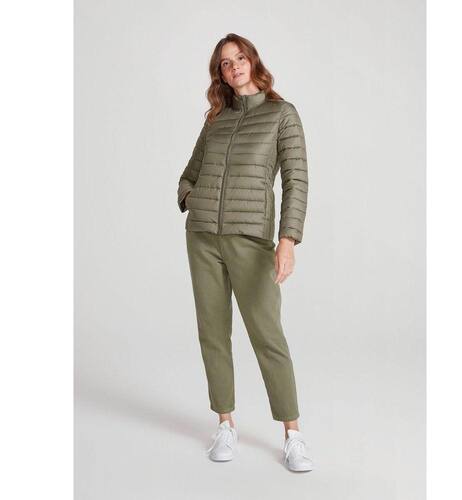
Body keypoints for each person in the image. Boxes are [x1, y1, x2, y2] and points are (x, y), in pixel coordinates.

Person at [177, 33, 313, 472]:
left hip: (251, 241)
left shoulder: (281, 114)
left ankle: (293, 435)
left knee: (267, 336)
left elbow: (296, 181)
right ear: (219, 73)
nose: (233, 66)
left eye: (239, 58)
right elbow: (189, 174)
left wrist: (288, 239)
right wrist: (192, 199)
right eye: (224, 62)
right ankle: (225, 424)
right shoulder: (216, 119)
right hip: (203, 239)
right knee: (213, 334)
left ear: (253, 61)